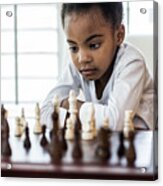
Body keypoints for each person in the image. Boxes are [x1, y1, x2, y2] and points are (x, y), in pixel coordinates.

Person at [41, 2, 156, 131]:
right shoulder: (77, 64)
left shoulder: (133, 63)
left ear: (119, 35)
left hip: (144, 143)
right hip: (107, 142)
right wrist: (86, 117)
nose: (82, 58)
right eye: (73, 48)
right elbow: (44, 112)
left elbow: (114, 122)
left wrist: (69, 105)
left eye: (94, 45)